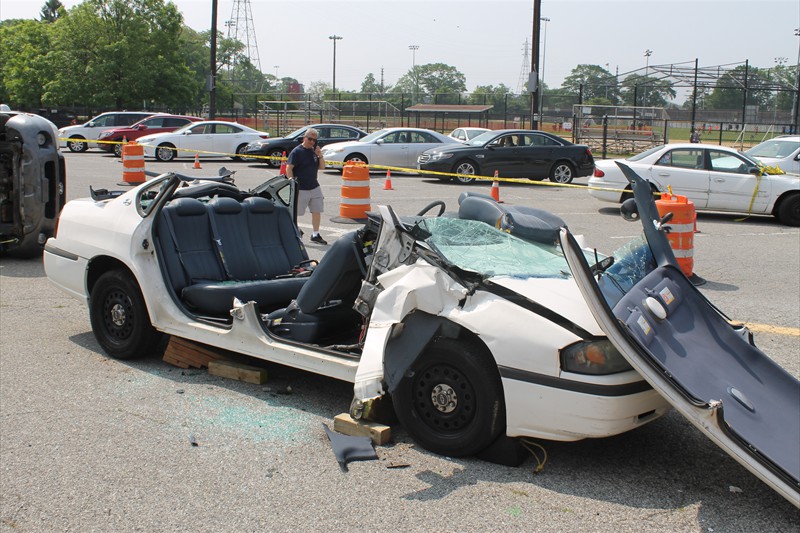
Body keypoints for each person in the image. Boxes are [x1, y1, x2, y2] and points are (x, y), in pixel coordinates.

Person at [285, 127, 327, 245]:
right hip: (301, 188)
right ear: (305, 138)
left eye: (315, 140)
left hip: (314, 186)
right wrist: (291, 181)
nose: (312, 142)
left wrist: (320, 155)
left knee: (317, 210)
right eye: (310, 139)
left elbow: (322, 167)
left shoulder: (314, 151)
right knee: (295, 213)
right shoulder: (297, 151)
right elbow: (289, 167)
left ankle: (315, 234)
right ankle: (296, 230)